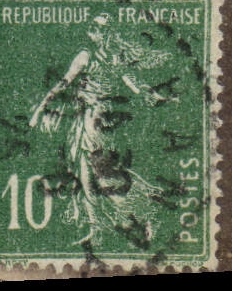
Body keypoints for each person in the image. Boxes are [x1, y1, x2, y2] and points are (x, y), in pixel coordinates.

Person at [28, 15, 173, 244]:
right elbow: (68, 83)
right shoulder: (101, 56)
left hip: (95, 121)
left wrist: (39, 110)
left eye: (101, 29)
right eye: (96, 28)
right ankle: (98, 227)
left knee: (101, 177)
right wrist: (41, 108)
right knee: (86, 175)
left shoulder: (96, 57)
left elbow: (66, 83)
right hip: (91, 118)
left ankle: (145, 213)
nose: (98, 33)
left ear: (105, 33)